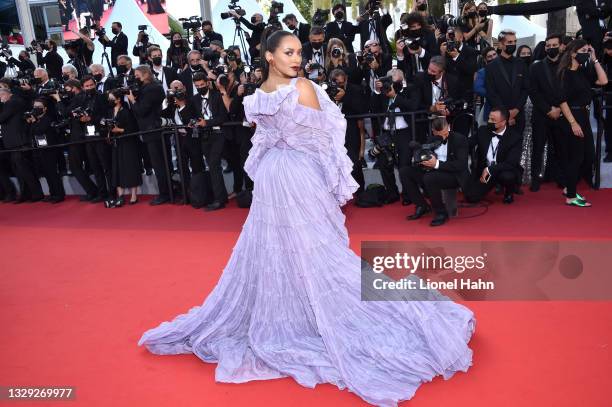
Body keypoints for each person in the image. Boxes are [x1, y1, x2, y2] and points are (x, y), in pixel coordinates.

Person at [138, 30, 476, 407]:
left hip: (276, 177)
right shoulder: (301, 91)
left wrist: (282, 171)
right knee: (308, 251)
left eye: (299, 52)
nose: (297, 59)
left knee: (293, 251)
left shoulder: (259, 98)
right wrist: (333, 184)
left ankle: (302, 314)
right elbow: (325, 142)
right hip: (296, 177)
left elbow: (265, 143)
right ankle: (312, 313)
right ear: (268, 55)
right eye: (288, 52)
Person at [557, 39, 608, 207]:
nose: (586, 53)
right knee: (577, 157)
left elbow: (603, 81)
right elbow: (562, 101)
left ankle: (568, 187)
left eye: (588, 50)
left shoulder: (582, 72)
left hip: (584, 116)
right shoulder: (565, 73)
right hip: (572, 117)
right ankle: (571, 196)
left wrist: (594, 58)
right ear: (573, 54)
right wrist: (573, 123)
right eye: (584, 51)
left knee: (587, 156)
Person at [399, 116, 470, 226]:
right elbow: (425, 156)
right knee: (405, 171)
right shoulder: (431, 140)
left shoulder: (459, 139)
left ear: (449, 127)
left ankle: (441, 213)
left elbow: (461, 165)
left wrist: (436, 164)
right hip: (432, 170)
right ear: (433, 131)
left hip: (454, 175)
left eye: (445, 133)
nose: (443, 136)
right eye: (439, 134)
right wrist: (420, 160)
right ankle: (421, 205)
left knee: (430, 178)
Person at [466, 107, 523, 204]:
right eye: (489, 118)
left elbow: (510, 163)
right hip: (486, 172)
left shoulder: (515, 137)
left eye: (493, 120)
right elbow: (467, 144)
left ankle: (509, 192)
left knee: (507, 176)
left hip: (503, 170)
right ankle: (492, 185)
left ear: (503, 122)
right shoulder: (483, 131)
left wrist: (489, 169)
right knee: (471, 198)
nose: (489, 122)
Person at [106, 88, 142, 206]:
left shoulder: (126, 111)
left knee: (130, 168)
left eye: (112, 98)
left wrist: (119, 130)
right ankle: (120, 196)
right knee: (117, 169)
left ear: (118, 99)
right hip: (116, 144)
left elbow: (133, 128)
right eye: (109, 98)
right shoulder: (110, 111)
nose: (109, 100)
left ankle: (133, 196)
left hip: (128, 143)